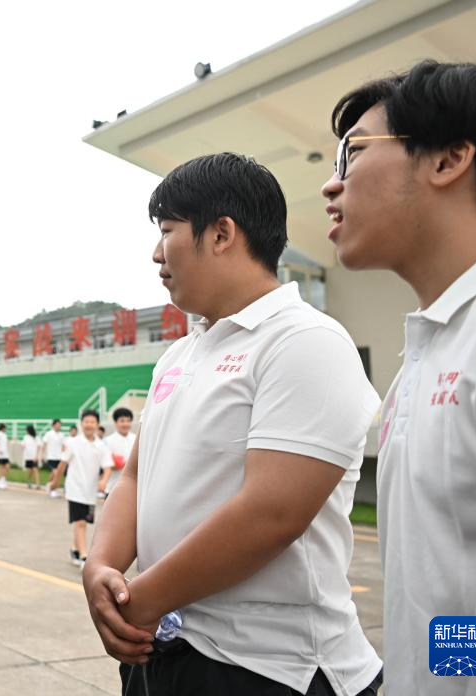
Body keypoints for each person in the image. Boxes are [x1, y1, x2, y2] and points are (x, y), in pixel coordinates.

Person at [83, 155, 383, 696]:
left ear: (221, 233)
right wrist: (100, 566)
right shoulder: (179, 354)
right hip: (167, 647)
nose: (156, 254)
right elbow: (135, 478)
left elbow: (271, 513)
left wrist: (139, 599)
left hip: (267, 667)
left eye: (168, 231)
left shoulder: (303, 341)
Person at [321, 60, 476, 695]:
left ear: (449, 158)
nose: (331, 185)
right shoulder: (431, 347)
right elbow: (456, 587)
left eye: (352, 155)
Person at [49, 410, 111, 569]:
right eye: (86, 421)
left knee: (84, 522)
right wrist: (55, 482)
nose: (89, 424)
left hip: (90, 491)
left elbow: (107, 466)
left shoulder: (101, 446)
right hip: (75, 489)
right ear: (81, 423)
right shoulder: (73, 443)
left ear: (97, 424)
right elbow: (62, 464)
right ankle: (85, 557)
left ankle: (75, 549)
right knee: (80, 522)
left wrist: (104, 480)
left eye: (92, 422)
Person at [98, 407, 134, 498]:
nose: (125, 424)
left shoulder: (136, 439)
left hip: (133, 488)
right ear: (116, 422)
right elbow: (108, 465)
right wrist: (120, 463)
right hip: (112, 487)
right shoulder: (107, 441)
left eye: (128, 421)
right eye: (122, 421)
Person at [39, 419, 65, 496]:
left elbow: (63, 446)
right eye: (57, 424)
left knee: (56, 474)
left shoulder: (62, 435)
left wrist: (63, 456)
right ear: (53, 425)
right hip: (50, 457)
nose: (59, 426)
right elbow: (44, 445)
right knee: (55, 473)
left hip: (59, 457)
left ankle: (49, 485)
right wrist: (42, 455)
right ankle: (53, 489)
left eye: (60, 425)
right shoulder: (48, 434)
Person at [22, 425, 40, 489]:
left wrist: (37, 456)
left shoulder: (36, 437)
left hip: (34, 456)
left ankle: (37, 484)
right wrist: (23, 446)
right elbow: (23, 445)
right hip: (28, 456)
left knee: (35, 470)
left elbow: (38, 446)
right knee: (30, 471)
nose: (26, 431)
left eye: (27, 430)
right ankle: (28, 481)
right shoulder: (25, 437)